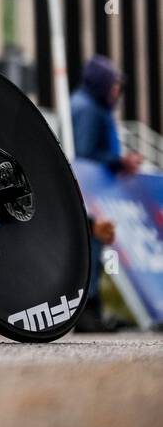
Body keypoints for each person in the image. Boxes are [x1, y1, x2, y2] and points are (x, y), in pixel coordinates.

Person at [70, 54, 140, 332]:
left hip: (93, 193)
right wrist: (118, 161)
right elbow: (84, 154)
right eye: (112, 86)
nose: (116, 92)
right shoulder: (87, 108)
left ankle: (93, 311)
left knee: (96, 248)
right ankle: (87, 311)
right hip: (89, 194)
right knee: (92, 246)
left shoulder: (93, 105)